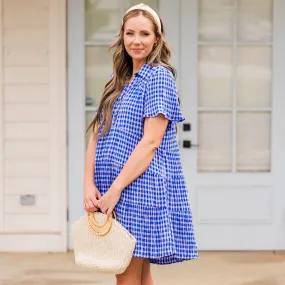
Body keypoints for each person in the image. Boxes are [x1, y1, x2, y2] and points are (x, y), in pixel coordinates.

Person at [84, 3, 198, 285]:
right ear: (122, 36)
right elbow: (97, 131)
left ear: (156, 38)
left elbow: (150, 142)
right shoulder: (118, 79)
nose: (136, 41)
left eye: (145, 34)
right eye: (130, 33)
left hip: (139, 188)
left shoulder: (158, 77)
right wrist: (89, 182)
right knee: (138, 272)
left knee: (125, 272)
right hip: (110, 185)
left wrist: (115, 190)